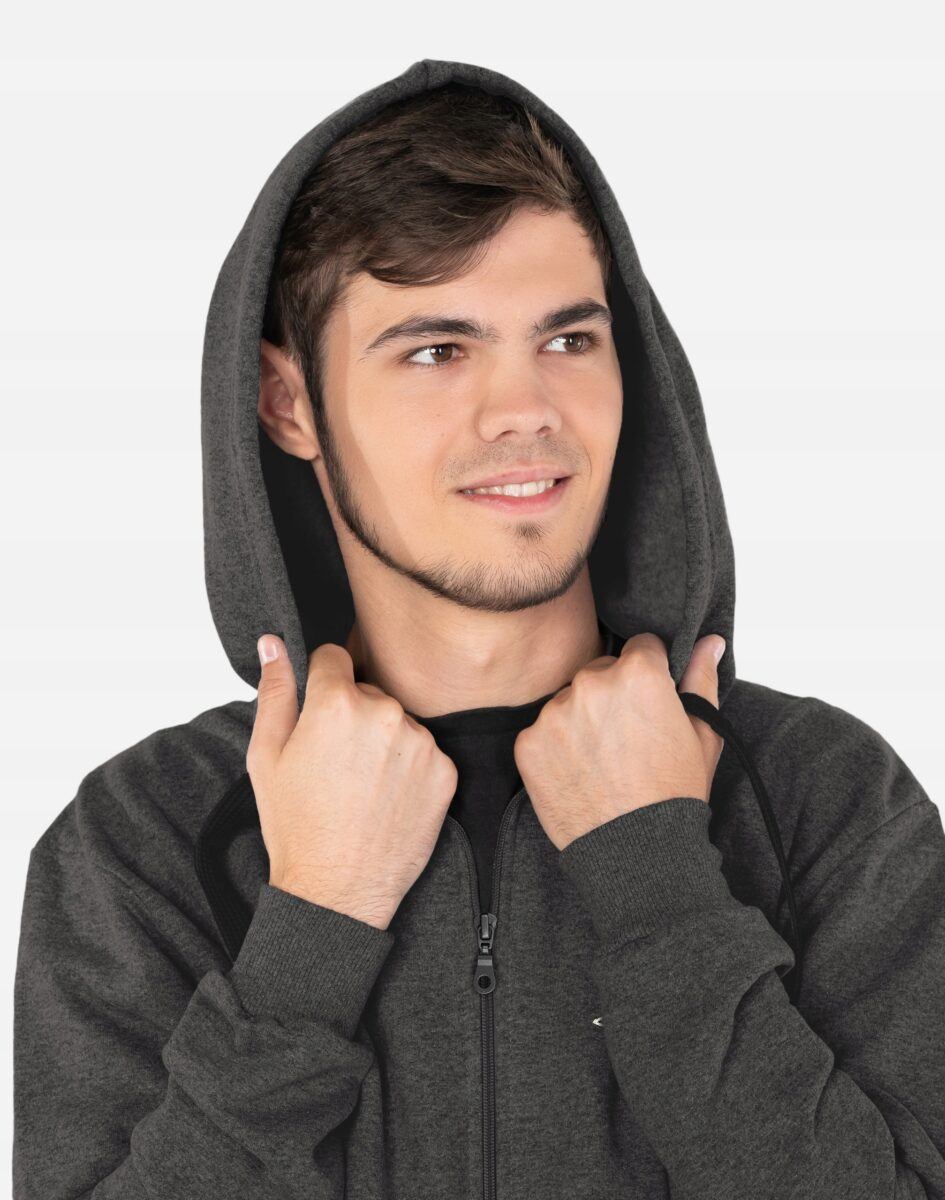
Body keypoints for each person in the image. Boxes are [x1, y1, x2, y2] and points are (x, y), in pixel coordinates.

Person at [12, 57, 945, 1200]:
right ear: (289, 404)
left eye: (568, 341)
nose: (523, 410)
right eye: (436, 351)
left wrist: (657, 883)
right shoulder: (146, 839)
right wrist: (312, 929)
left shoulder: (820, 798)